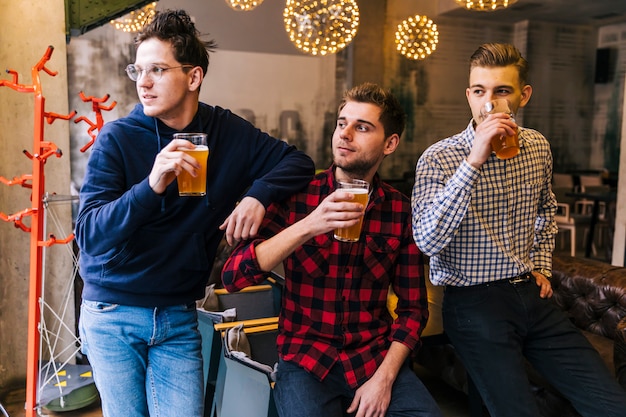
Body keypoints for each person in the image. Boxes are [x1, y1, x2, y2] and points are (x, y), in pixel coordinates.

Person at [74, 9, 314, 417]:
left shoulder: (226, 132)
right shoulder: (118, 138)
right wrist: (151, 185)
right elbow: (90, 235)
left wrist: (257, 194)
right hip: (113, 313)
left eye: (157, 70)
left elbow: (298, 163)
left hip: (179, 315)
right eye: (138, 70)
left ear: (193, 77)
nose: (143, 83)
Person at [412, 42, 626, 417]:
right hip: (473, 302)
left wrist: (542, 264)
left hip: (532, 296)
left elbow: (546, 210)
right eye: (479, 92)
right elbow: (427, 239)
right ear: (468, 95)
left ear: (523, 96)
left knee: (611, 404)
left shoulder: (538, 147)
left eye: (502, 91)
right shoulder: (439, 157)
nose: (489, 104)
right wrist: (474, 161)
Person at [222, 82, 443, 417]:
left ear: (390, 143)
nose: (345, 134)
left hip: (373, 358)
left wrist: (383, 380)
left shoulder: (399, 210)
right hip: (305, 361)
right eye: (342, 123)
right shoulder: (298, 196)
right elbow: (234, 275)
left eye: (362, 127)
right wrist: (310, 224)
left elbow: (413, 311)